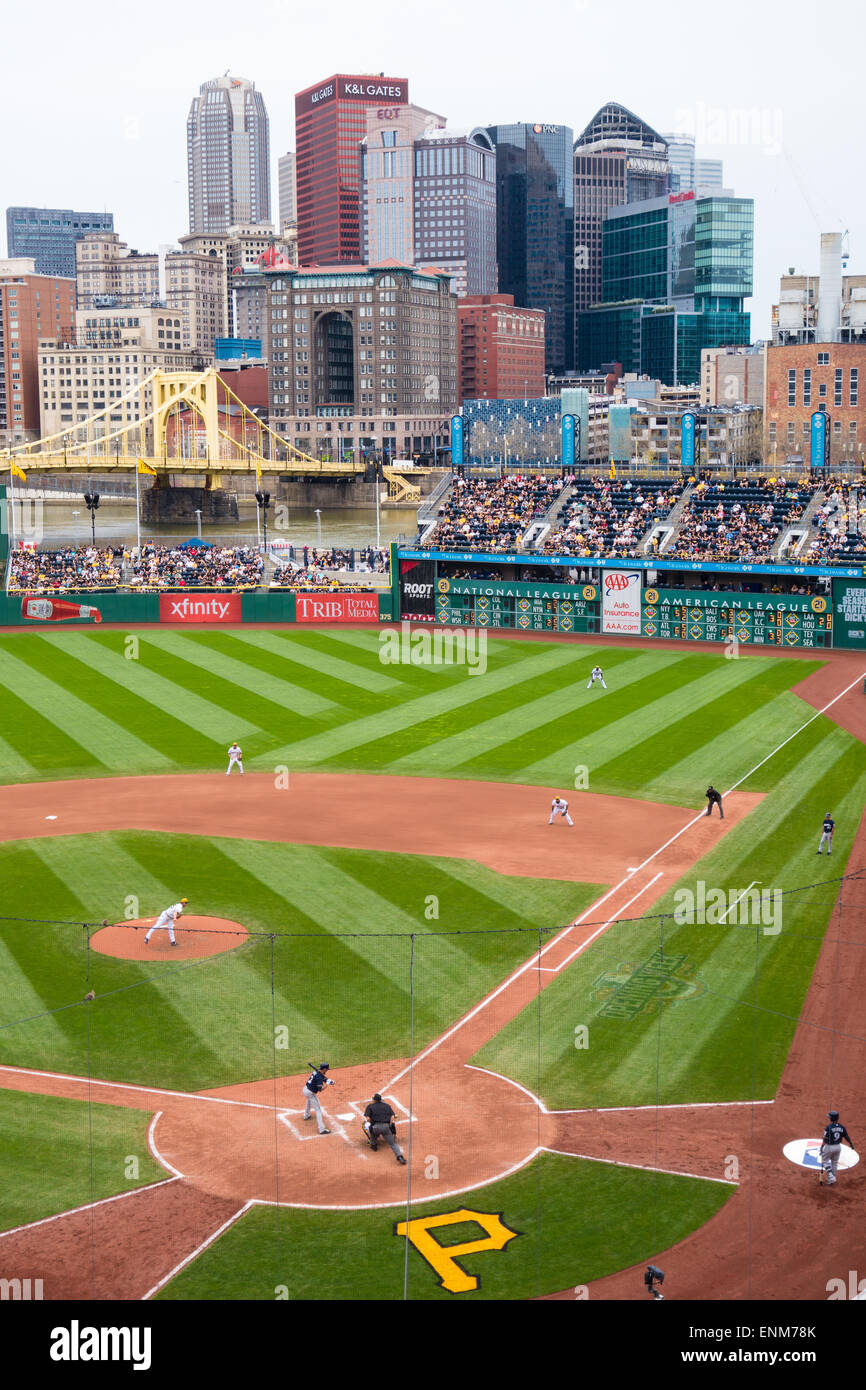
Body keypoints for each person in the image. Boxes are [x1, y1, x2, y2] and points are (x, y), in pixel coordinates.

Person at [363, 1094, 407, 1164]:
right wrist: (389, 1125)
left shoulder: (370, 1106)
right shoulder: (387, 1106)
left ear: (374, 1100)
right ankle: (400, 1157)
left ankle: (374, 1145)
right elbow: (392, 1117)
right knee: (393, 1144)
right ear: (380, 1099)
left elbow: (368, 1119)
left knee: (372, 1132)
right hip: (386, 1127)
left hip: (376, 1127)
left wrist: (373, 1123)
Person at [820, 1110, 855, 1186]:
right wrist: (851, 1144)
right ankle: (831, 1179)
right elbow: (846, 1136)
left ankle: (831, 1176)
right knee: (834, 1163)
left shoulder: (828, 1128)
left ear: (831, 1118)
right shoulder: (841, 1127)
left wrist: (822, 1147)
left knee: (824, 1161)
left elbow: (825, 1139)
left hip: (829, 1147)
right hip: (838, 1147)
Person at [303, 1063, 334, 1135]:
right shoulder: (319, 1077)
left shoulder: (316, 1072)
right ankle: (321, 1129)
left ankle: (306, 1115)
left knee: (309, 1100)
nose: (327, 1070)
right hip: (310, 1092)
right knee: (318, 1110)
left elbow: (322, 1077)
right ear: (324, 1069)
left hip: (305, 1089)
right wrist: (327, 1084)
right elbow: (320, 1089)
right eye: (327, 1069)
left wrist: (328, 1080)